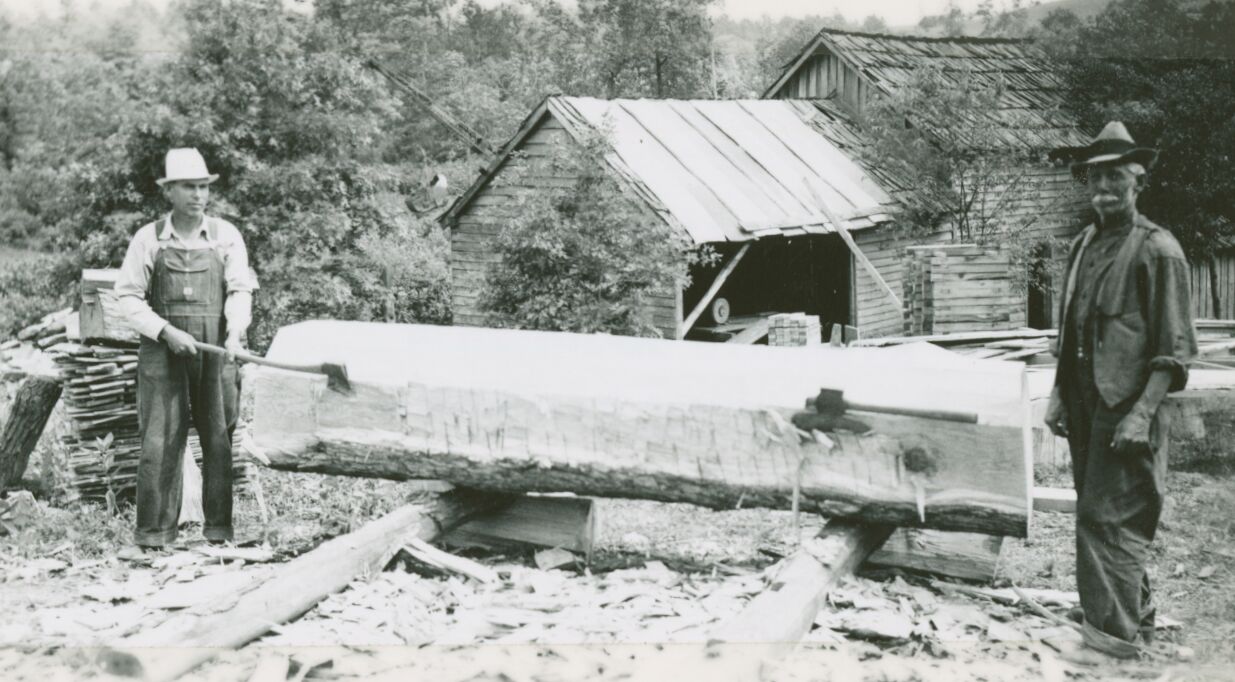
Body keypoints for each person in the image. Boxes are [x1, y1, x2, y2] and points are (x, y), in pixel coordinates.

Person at [1045, 122, 1197, 659]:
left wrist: (1140, 415)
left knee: (1107, 521)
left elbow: (1175, 352)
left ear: (1138, 182)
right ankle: (1135, 626)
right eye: (1095, 177)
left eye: (1115, 176)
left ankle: (1112, 649)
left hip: (1129, 409)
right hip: (1086, 404)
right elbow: (1070, 328)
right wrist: (1060, 394)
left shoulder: (1159, 251)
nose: (1103, 187)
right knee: (1102, 518)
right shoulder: (1086, 243)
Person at [116, 148, 256, 549]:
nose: (198, 195)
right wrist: (164, 331)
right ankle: (154, 536)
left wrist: (234, 333)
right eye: (188, 187)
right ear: (170, 192)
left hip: (215, 350)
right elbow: (127, 297)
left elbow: (240, 289)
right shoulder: (149, 238)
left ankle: (218, 533)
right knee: (159, 442)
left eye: (203, 187)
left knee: (218, 438)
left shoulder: (226, 235)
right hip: (163, 353)